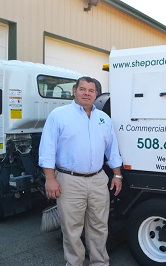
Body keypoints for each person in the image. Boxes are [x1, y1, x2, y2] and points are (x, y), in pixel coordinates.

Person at [39, 76, 123, 266]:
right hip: (69, 180)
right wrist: (50, 179)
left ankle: (100, 263)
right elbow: (47, 150)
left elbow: (113, 150)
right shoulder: (59, 115)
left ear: (96, 94)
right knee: (72, 229)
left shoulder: (103, 119)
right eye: (83, 89)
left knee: (100, 227)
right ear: (74, 91)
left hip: (98, 180)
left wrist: (117, 174)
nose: (87, 93)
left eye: (91, 90)